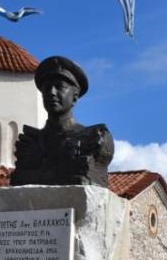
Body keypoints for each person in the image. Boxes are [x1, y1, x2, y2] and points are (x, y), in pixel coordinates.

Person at [10, 55, 114, 187]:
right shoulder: (29, 143)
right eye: (47, 88)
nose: (52, 92)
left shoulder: (94, 138)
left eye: (60, 87)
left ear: (75, 97)